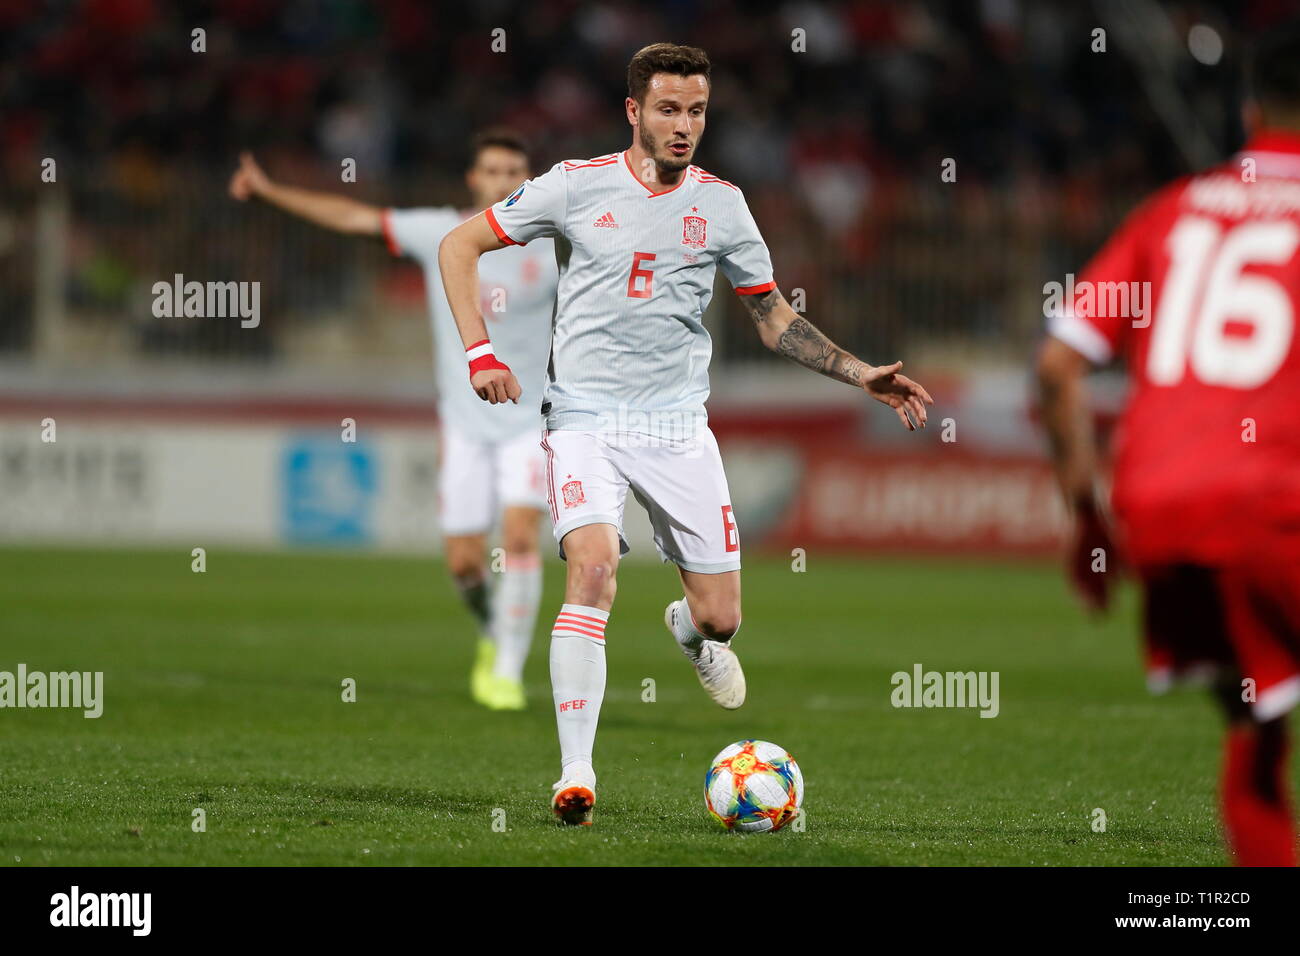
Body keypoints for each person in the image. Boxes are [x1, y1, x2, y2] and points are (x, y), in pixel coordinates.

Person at [439, 43, 932, 825]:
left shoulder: (724, 205)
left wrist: (858, 372)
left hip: (675, 426)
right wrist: (479, 351)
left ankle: (690, 634)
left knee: (721, 617)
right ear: (633, 111)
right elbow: (458, 244)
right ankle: (576, 775)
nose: (684, 126)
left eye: (697, 111)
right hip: (583, 419)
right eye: (668, 109)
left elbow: (772, 319)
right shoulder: (573, 186)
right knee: (593, 570)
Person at [1037, 26, 1300, 866]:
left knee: (1255, 718)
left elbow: (1055, 367)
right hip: (1274, 503)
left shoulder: (1173, 207)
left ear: (1251, 107)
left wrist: (1087, 519)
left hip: (1160, 509)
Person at [229, 131, 558, 711]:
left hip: (531, 421)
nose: (504, 181)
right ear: (473, 179)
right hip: (463, 425)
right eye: (493, 170)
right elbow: (353, 217)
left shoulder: (552, 244)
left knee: (519, 535)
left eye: (515, 172)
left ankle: (506, 668)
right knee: (463, 563)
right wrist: (270, 190)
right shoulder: (442, 232)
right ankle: (491, 631)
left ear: (527, 182)